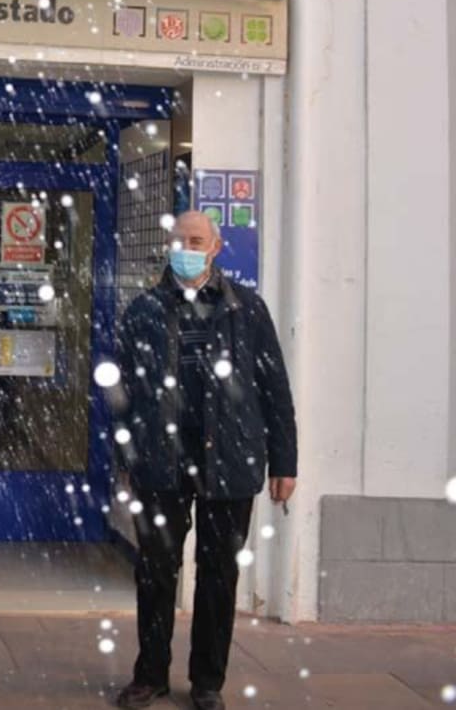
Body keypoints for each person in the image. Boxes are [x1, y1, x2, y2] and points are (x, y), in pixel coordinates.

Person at [111, 211, 297, 710]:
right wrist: (124, 457)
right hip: (160, 460)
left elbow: (274, 388)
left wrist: (285, 461)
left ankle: (207, 681)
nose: (186, 249)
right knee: (155, 572)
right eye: (179, 240)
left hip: (230, 460)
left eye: (196, 241)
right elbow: (122, 391)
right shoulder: (144, 309)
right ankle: (150, 675)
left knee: (218, 575)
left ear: (215, 248)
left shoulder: (247, 309)